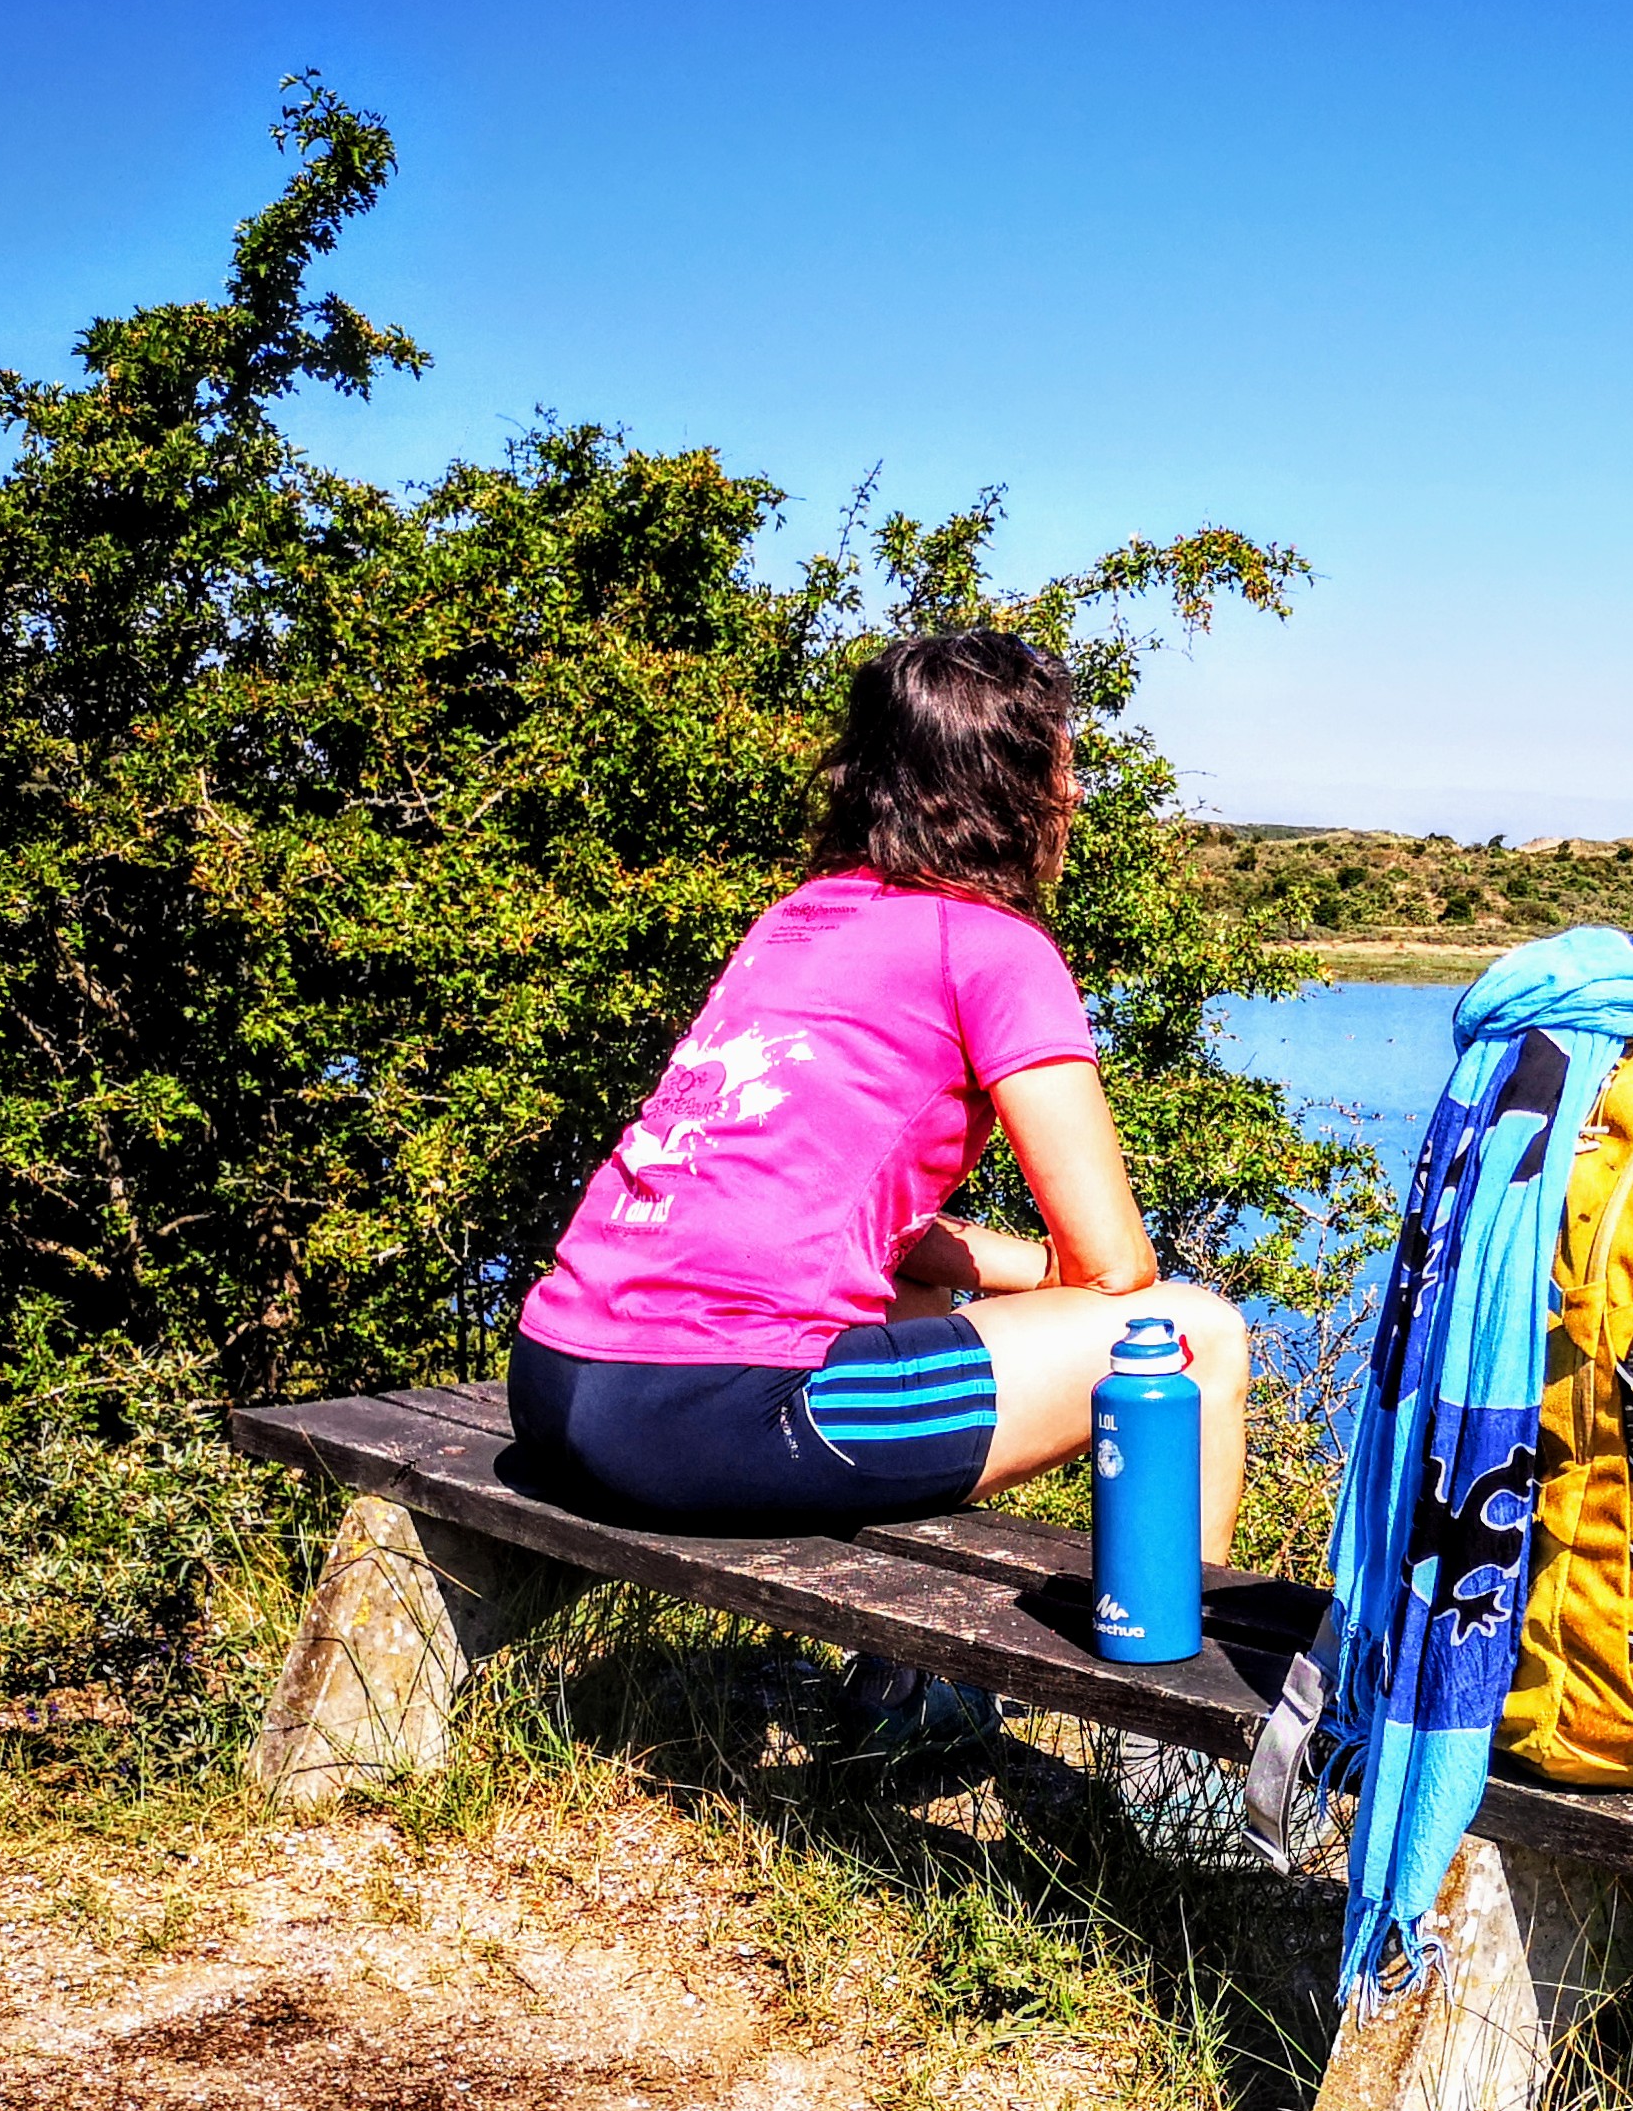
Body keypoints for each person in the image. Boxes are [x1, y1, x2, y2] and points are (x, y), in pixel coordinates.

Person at [510, 631, 1248, 1607]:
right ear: (1006, 783)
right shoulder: (993, 947)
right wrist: (1061, 1275)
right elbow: (1116, 1272)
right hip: (705, 1419)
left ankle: (899, 1694)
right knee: (1197, 1337)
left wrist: (1030, 1272)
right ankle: (1162, 1730)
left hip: (555, 1384)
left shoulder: (800, 918)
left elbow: (810, 1211)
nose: (1072, 794)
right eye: (1061, 763)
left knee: (908, 1302)